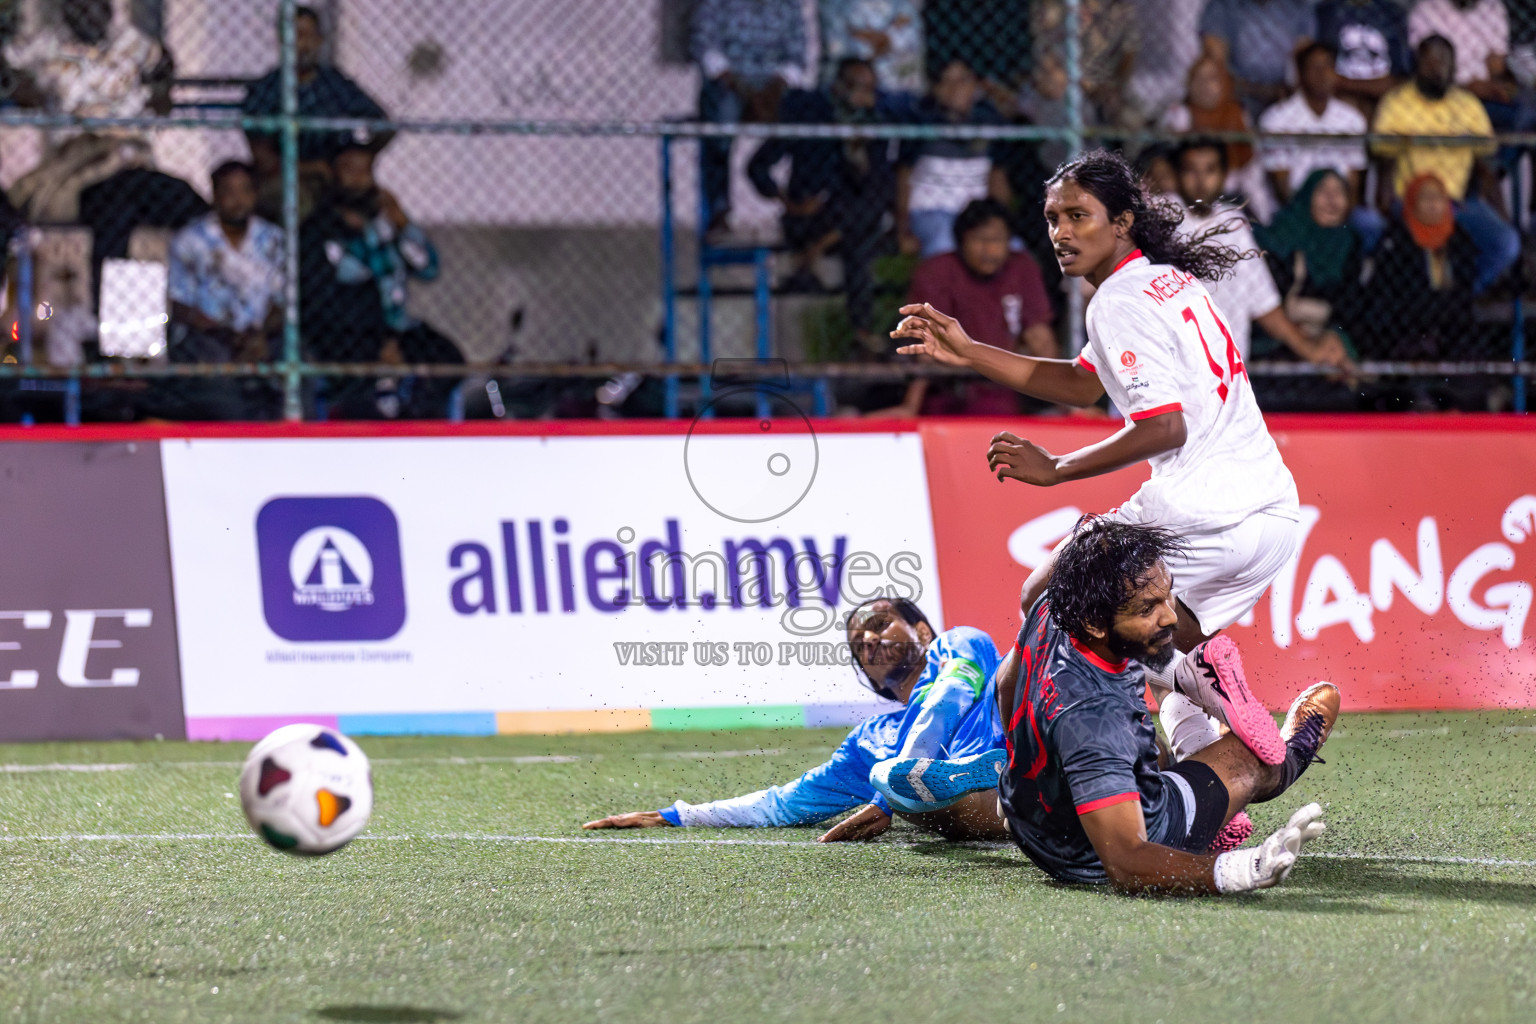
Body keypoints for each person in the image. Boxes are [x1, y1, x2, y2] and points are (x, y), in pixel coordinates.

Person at [890, 148, 1308, 766]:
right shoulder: (1171, 280)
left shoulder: (1116, 301)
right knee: (1152, 651)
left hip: (1199, 512)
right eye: (1053, 218)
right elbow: (1086, 383)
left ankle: (1097, 754)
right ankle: (1198, 787)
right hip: (1272, 516)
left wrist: (1056, 468)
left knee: (1044, 597)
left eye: (1078, 216)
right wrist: (972, 351)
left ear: (1122, 222)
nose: (1060, 232)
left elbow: (1164, 426)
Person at [871, 516, 1340, 895]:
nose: (1170, 616)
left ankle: (1184, 709)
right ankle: (1286, 750)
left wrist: (1021, 749)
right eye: (1147, 608)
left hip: (1028, 816)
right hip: (1096, 853)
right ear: (1095, 623)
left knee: (1147, 743)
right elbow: (1127, 861)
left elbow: (1005, 683)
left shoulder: (1053, 607)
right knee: (1253, 758)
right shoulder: (1095, 721)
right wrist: (1234, 870)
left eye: (1166, 594)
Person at [582, 597, 1009, 843]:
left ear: (922, 630)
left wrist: (887, 796)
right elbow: (784, 802)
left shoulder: (959, 643)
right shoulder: (870, 740)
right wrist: (678, 815)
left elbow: (947, 698)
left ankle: (927, 781)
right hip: (991, 803)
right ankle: (990, 794)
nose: (871, 640)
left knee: (1014, 672)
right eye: (859, 644)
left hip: (1027, 734)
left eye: (881, 625)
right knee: (891, 780)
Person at [299, 145, 463, 419]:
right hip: (347, 334)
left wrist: (403, 225)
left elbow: (427, 268)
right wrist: (380, 342)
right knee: (366, 386)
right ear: (333, 174)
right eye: (350, 170)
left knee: (449, 361)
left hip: (397, 328)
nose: (358, 179)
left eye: (365, 171)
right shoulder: (318, 230)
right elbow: (321, 299)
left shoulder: (385, 224)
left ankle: (422, 423)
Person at [745, 58, 893, 347]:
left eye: (870, 89)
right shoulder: (809, 117)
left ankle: (861, 333)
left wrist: (859, 149)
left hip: (850, 221)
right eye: (857, 87)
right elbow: (757, 166)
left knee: (863, 231)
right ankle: (813, 252)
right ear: (839, 87)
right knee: (858, 232)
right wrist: (785, 200)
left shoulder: (875, 128)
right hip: (809, 217)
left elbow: (876, 188)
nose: (864, 96)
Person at [1172, 138, 1355, 371]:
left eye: (1210, 170)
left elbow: (1263, 302)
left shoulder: (1233, 223)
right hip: (1172, 369)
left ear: (1225, 175)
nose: (1200, 182)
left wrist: (1310, 350)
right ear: (1178, 174)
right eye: (1191, 171)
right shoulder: (1159, 220)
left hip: (1227, 372)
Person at [874, 198, 1056, 417]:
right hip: (947, 395)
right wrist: (911, 405)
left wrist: (1061, 400)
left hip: (1004, 392)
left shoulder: (1022, 268)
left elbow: (1040, 337)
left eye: (997, 240)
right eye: (979, 239)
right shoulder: (935, 271)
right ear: (961, 241)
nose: (989, 249)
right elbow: (929, 345)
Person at [1370, 34, 1519, 293]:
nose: (1438, 68)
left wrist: (1501, 213)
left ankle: (1463, 295)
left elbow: (1485, 163)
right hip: (1411, 200)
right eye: (1430, 62)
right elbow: (1384, 156)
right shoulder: (1397, 103)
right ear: (1417, 64)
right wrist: (1385, 202)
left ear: (1454, 67)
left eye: (1444, 62)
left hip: (1458, 202)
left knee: (1506, 243)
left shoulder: (1468, 105)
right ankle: (1426, 302)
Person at [3, 0, 171, 222]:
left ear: (109, 9)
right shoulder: (48, 44)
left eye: (97, 5)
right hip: (71, 148)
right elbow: (8, 62)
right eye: (80, 6)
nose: (90, 14)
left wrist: (160, 92)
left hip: (123, 144)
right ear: (66, 10)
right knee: (51, 193)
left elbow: (164, 67)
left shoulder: (131, 41)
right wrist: (21, 87)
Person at [242, 5, 390, 225]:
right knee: (298, 202)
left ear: (320, 40)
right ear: (282, 42)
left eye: (310, 35)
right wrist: (316, 168)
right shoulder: (266, 90)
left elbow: (381, 122)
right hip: (285, 177)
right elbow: (264, 159)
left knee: (381, 203)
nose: (304, 44)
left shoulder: (334, 83)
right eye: (296, 35)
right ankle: (304, 258)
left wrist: (360, 156)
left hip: (336, 175)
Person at [691, 0, 809, 235]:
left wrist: (773, 91)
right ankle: (719, 210)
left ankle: (799, 205)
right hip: (730, 84)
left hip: (773, 86)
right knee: (721, 119)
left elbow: (796, 57)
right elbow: (706, 49)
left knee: (806, 113)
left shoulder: (789, 5)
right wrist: (745, 91)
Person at [895, 60, 1012, 259]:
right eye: (947, 81)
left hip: (976, 213)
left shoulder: (988, 121)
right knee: (943, 243)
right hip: (931, 212)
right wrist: (902, 229)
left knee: (1013, 249)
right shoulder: (921, 121)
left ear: (975, 86)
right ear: (937, 88)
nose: (955, 88)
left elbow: (997, 178)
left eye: (962, 80)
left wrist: (1004, 223)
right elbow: (903, 178)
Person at [1363, 172, 1479, 361]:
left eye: (1439, 197)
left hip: (1449, 330)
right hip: (1403, 329)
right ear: (1412, 203)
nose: (1433, 203)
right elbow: (1388, 296)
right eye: (1425, 197)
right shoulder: (1396, 240)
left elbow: (1464, 293)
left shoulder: (1460, 241)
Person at [1253, 168, 1366, 361]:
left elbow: (1351, 308)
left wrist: (1333, 337)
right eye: (1322, 191)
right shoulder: (1282, 239)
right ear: (1306, 196)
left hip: (1328, 346)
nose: (1331, 200)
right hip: (1277, 344)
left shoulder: (1350, 243)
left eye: (1339, 192)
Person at [1159, 56, 1273, 222]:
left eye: (1212, 78)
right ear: (1189, 84)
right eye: (1199, 78)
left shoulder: (1237, 113)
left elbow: (1249, 157)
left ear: (1224, 82)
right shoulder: (1179, 113)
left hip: (1235, 180)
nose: (1204, 85)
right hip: (1190, 189)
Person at [1258, 43, 1370, 205]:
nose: (1322, 74)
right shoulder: (1276, 119)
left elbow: (1353, 182)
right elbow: (1282, 187)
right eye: (1315, 67)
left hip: (1338, 208)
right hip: (1295, 210)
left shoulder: (1352, 119)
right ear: (1301, 74)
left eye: (1327, 66)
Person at [1198, 0, 1316, 117]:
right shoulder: (1222, 6)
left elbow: (1305, 61)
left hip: (1283, 96)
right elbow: (1216, 62)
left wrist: (1291, 96)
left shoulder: (1297, 6)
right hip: (1238, 96)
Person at [1314, 0, 1413, 112]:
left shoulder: (1394, 14)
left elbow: (1401, 79)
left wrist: (1345, 83)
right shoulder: (1326, 12)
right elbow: (1319, 73)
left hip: (1386, 103)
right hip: (1338, 103)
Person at [817, 0, 924, 97]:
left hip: (897, 88)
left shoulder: (904, 5)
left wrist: (886, 39)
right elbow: (835, 43)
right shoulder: (835, 6)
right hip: (849, 82)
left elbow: (910, 31)